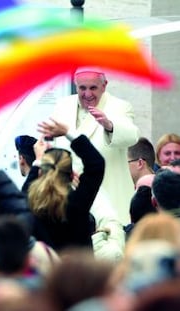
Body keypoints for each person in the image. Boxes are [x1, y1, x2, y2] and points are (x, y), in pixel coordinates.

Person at [0, 119, 104, 252]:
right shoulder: (77, 203)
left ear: (40, 173)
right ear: (71, 175)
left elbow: (22, 195)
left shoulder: (31, 204)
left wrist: (38, 160)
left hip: (45, 271)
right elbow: (96, 163)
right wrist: (67, 132)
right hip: (79, 271)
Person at [46, 67, 140, 225]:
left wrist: (109, 125)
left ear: (104, 85)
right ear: (76, 86)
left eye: (93, 88)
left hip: (109, 196)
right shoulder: (63, 105)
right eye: (82, 88)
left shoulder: (119, 107)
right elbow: (50, 141)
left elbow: (132, 136)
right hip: (70, 200)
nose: (87, 94)